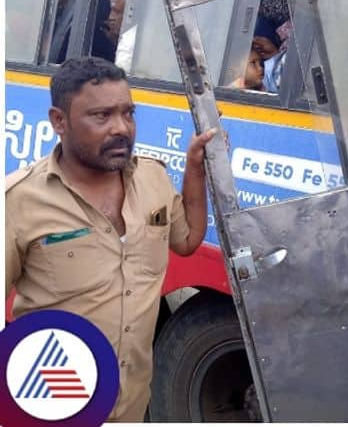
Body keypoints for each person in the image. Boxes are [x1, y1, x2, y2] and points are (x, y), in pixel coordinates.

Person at [5, 57, 217, 421]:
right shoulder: (18, 201)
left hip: (131, 405)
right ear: (59, 121)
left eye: (128, 114)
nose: (121, 128)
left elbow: (187, 240)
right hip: (53, 402)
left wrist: (195, 169)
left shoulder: (153, 179)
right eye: (101, 116)